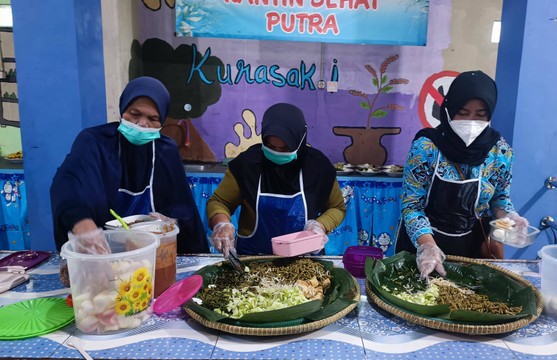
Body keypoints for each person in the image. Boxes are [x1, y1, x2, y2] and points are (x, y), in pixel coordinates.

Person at [50, 76, 208, 254]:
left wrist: (171, 223)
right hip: (102, 252)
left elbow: (184, 210)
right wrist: (82, 222)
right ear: (123, 109)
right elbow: (68, 182)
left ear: (162, 121)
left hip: (155, 253)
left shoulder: (166, 150)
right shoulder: (95, 142)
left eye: (153, 118)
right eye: (135, 114)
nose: (142, 123)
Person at [396, 70, 529, 278]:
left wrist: (509, 218)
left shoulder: (500, 151)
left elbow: (498, 200)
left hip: (472, 250)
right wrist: (428, 247)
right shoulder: (427, 148)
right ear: (449, 110)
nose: (471, 121)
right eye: (463, 113)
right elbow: (411, 205)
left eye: (480, 114)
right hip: (422, 246)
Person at [206, 103, 346, 257]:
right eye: (270, 146)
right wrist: (221, 224)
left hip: (305, 262)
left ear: (300, 141)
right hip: (253, 258)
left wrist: (320, 226)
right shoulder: (247, 165)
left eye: (285, 148)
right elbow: (219, 201)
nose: (277, 153)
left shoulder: (318, 167)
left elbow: (337, 207)